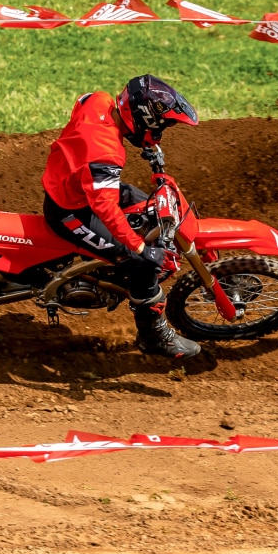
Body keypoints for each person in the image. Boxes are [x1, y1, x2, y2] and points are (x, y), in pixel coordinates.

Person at [42, 75, 201, 359]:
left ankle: (122, 273)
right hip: (71, 211)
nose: (160, 132)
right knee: (143, 263)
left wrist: (145, 146)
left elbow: (80, 104)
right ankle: (152, 337)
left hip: (75, 184)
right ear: (145, 119)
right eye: (161, 126)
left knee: (147, 207)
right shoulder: (106, 153)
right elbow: (106, 208)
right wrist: (140, 248)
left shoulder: (99, 100)